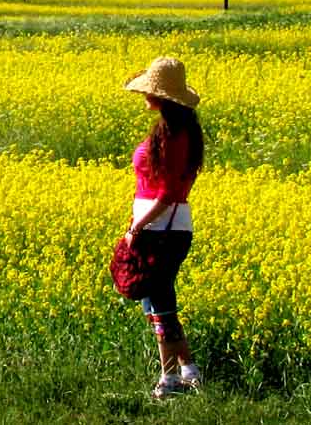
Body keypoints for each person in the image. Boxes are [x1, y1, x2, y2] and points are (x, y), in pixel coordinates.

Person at [123, 56, 204, 399]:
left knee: (162, 306)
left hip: (163, 230)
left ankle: (168, 381)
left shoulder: (176, 136)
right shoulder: (169, 130)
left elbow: (168, 194)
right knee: (151, 305)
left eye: (151, 90)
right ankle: (189, 370)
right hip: (157, 227)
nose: (145, 95)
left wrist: (136, 228)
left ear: (164, 97)